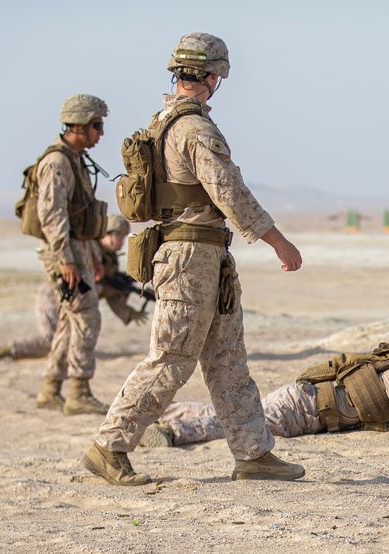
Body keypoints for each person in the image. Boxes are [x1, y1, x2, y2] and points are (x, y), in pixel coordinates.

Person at [83, 32, 305, 486]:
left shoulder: (163, 122)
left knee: (226, 360)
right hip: (190, 259)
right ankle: (109, 447)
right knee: (171, 359)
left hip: (203, 256)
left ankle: (254, 453)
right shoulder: (194, 129)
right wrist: (277, 240)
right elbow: (229, 192)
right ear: (212, 76)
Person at [138, 334, 389, 448]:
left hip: (301, 401)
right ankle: (172, 432)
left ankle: (161, 410)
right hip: (301, 412)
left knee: (232, 415)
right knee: (236, 426)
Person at [33, 93, 112, 416]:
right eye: (96, 125)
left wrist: (91, 254)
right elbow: (52, 216)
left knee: (70, 318)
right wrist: (66, 260)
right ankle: (79, 390)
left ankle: (51, 388)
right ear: (78, 125)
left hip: (77, 249)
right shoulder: (56, 163)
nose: (101, 133)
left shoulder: (75, 159)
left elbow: (80, 216)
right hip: (63, 252)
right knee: (87, 315)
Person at [0, 215, 149, 361]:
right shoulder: (90, 251)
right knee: (51, 342)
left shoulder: (109, 259)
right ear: (105, 234)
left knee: (65, 345)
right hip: (54, 295)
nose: (121, 241)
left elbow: (109, 290)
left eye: (123, 236)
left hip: (70, 301)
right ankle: (9, 350)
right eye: (119, 236)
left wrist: (127, 311)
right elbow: (94, 283)